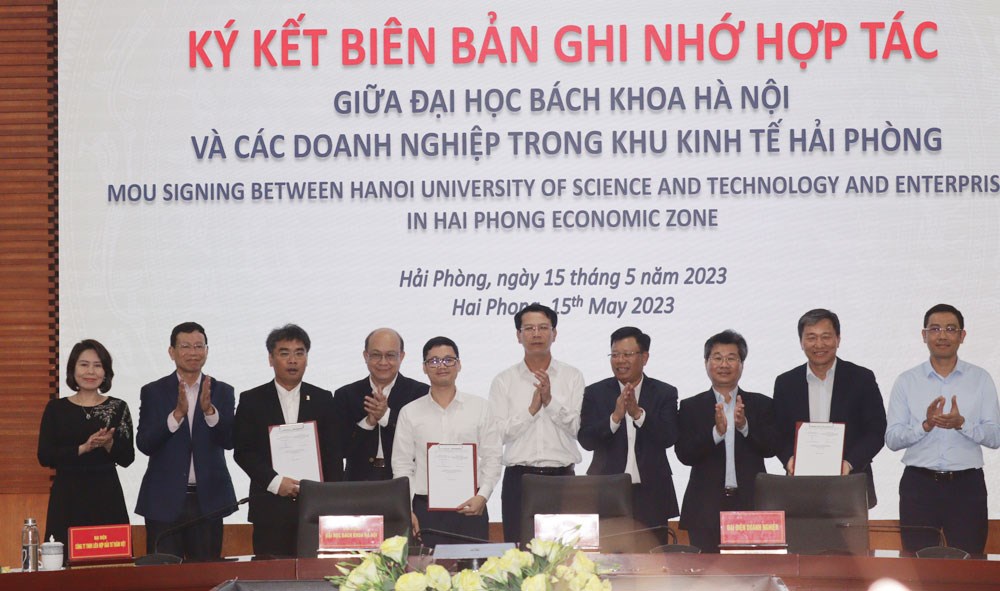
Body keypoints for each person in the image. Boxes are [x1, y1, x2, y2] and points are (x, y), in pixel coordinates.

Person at [885, 304, 1000, 555]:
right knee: (918, 562)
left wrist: (963, 424)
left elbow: (995, 437)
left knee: (969, 562)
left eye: (950, 329)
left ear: (962, 335)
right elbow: (892, 439)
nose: (943, 335)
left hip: (966, 486)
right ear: (924, 335)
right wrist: (925, 426)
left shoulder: (980, 379)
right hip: (919, 485)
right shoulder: (907, 381)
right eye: (935, 329)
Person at [233, 324, 342, 558]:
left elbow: (333, 454)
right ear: (271, 359)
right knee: (272, 574)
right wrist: (275, 482)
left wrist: (330, 501)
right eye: (284, 353)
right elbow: (243, 452)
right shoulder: (252, 400)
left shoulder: (323, 399)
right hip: (269, 509)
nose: (293, 360)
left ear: (307, 358)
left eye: (299, 353)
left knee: (316, 574)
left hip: (315, 509)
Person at [135, 322, 236, 561]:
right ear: (172, 352)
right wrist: (176, 415)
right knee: (163, 576)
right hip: (163, 500)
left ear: (207, 351)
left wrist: (210, 412)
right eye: (185, 346)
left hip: (208, 500)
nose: (193, 352)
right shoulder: (153, 391)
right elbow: (145, 443)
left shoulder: (222, 391)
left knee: (206, 574)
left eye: (199, 346)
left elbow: (230, 440)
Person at [488, 303, 585, 543]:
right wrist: (531, 410)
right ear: (518, 335)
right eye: (529, 328)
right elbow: (498, 434)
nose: (536, 334)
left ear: (554, 333)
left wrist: (550, 401)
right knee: (519, 552)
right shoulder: (504, 380)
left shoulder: (572, 376)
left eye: (543, 327)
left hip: (563, 480)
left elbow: (577, 429)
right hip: (519, 481)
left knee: (565, 553)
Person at [392, 336, 501, 548]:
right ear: (424, 367)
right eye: (433, 361)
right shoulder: (410, 412)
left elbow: (493, 457)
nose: (441, 366)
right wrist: (407, 509)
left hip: (472, 507)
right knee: (426, 568)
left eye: (448, 360)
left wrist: (483, 496)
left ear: (458, 365)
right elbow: (402, 464)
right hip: (425, 510)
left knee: (472, 568)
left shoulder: (480, 408)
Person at [772, 308, 886, 507]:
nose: (819, 344)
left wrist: (849, 463)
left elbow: (876, 431)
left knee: (851, 531)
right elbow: (777, 431)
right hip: (799, 486)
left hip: (850, 484)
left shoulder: (861, 379)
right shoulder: (786, 382)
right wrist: (789, 459)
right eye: (811, 337)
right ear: (801, 342)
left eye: (826, 337)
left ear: (838, 339)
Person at [676, 330, 777, 553]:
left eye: (731, 358)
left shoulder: (761, 404)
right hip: (704, 508)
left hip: (750, 505)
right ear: (706, 363)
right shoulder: (691, 406)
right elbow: (684, 453)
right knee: (707, 573)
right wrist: (716, 433)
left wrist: (744, 427)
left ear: (742, 364)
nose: (724, 364)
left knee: (750, 571)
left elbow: (771, 447)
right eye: (717, 358)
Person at [578, 326, 678, 547]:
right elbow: (586, 440)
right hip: (606, 492)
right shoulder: (595, 393)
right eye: (615, 354)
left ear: (644, 357)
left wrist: (638, 414)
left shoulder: (664, 392)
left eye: (627, 354)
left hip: (651, 492)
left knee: (652, 560)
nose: (620, 360)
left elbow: (669, 436)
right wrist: (615, 417)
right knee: (608, 560)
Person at [37, 339, 134, 551]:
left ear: (106, 372)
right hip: (67, 494)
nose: (90, 371)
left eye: (97, 365)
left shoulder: (118, 407)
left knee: (110, 560)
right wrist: (83, 448)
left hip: (106, 494)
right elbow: (45, 456)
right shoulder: (56, 408)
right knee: (66, 560)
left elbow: (128, 458)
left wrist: (108, 444)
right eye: (84, 364)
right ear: (73, 369)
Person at [333, 328, 428, 481]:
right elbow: (340, 449)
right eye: (376, 355)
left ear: (401, 356)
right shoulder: (346, 395)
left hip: (405, 481)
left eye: (390, 355)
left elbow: (422, 444)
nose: (383, 362)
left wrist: (386, 416)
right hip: (357, 484)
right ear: (366, 356)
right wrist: (368, 422)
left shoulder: (420, 393)